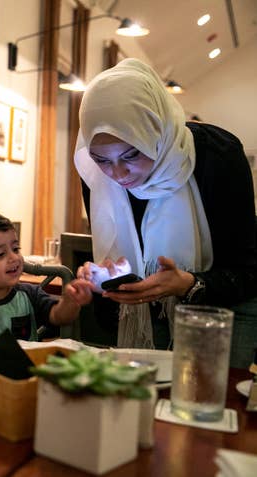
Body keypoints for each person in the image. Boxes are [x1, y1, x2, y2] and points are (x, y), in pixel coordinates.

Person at [74, 58, 257, 349]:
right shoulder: (94, 173)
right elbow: (108, 310)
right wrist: (101, 279)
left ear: (156, 132)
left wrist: (187, 283)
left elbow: (249, 271)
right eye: (102, 160)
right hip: (142, 319)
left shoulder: (218, 156)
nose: (118, 174)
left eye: (132, 155)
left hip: (224, 315)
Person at [0, 212, 94, 339]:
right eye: (0, 254)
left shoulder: (29, 295)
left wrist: (70, 301)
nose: (14, 258)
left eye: (15, 248)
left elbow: (59, 316)